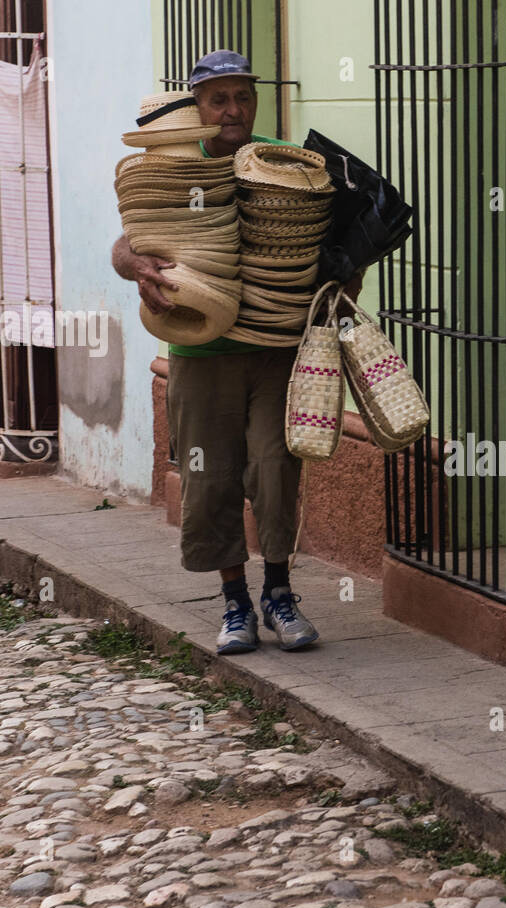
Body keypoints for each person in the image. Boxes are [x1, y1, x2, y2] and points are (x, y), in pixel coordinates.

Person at [111, 50, 361, 655]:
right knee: (208, 476)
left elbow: (339, 237)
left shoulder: (286, 161)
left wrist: (343, 282)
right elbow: (126, 244)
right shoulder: (174, 162)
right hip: (200, 354)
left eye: (242, 97)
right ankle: (235, 603)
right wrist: (137, 267)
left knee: (276, 467)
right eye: (217, 98)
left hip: (278, 349)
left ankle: (279, 594)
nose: (232, 109)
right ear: (196, 105)